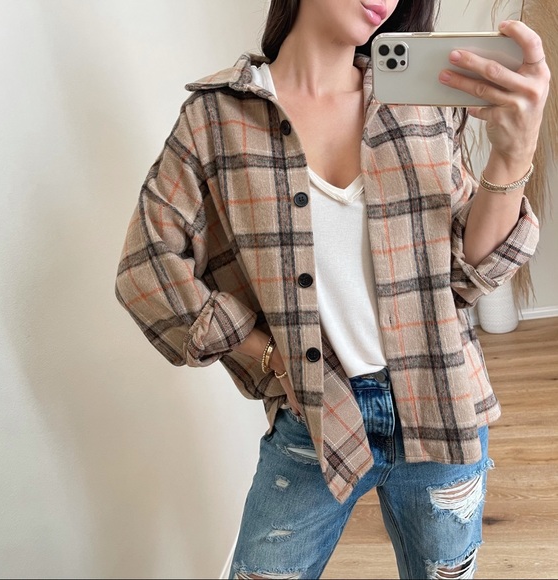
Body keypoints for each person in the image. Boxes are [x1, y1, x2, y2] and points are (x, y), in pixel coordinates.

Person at [115, 0, 549, 577]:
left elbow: (469, 273)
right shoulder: (215, 119)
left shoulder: (419, 100)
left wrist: (513, 155)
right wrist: (268, 355)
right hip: (317, 417)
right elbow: (145, 271)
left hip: (441, 400)